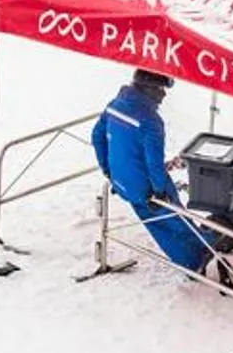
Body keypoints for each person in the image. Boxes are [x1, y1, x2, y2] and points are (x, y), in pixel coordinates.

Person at [90, 69, 214, 273]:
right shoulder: (150, 121)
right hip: (145, 187)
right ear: (147, 88)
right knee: (175, 219)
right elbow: (154, 163)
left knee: (157, 225)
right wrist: (159, 191)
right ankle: (199, 257)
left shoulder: (114, 105)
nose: (164, 95)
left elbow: (97, 137)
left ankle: (189, 258)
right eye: (160, 89)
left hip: (122, 183)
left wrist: (108, 170)